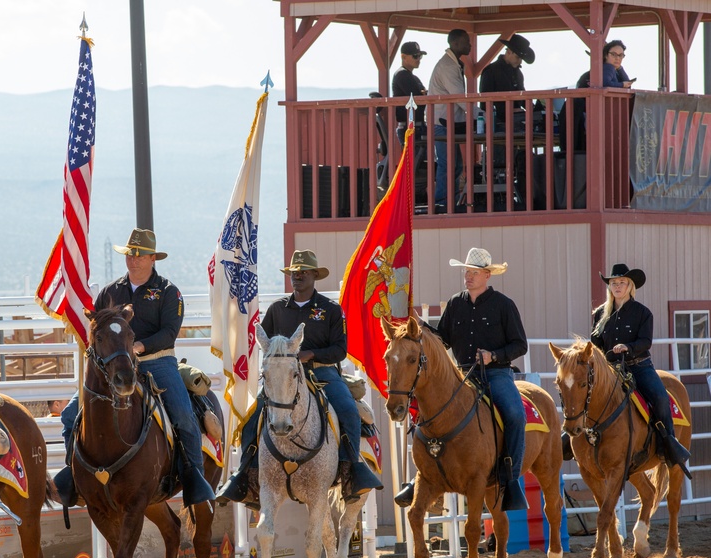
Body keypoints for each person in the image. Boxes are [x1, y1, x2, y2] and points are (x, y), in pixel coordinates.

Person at [53, 229, 217, 509]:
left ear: (153, 258)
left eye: (140, 255)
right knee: (70, 414)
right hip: (114, 365)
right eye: (130, 254)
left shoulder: (168, 292)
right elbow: (97, 327)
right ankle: (74, 473)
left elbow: (169, 333)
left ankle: (193, 478)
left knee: (184, 417)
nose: (134, 260)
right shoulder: (109, 292)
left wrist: (138, 347)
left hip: (157, 361)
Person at [216, 249, 383, 508]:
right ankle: (246, 475)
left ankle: (351, 473)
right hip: (284, 378)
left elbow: (340, 350)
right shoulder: (276, 310)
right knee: (252, 414)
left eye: (304, 272)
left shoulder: (330, 310)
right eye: (294, 272)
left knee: (349, 411)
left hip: (323, 373)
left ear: (315, 275)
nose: (298, 276)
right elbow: (265, 344)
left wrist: (308, 354)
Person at [394, 247, 529, 511]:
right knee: (426, 415)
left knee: (515, 414)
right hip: (460, 374)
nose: (468, 276)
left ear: (487, 275)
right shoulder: (456, 302)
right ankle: (423, 475)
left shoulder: (504, 305)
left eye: (473, 272)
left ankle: (510, 479)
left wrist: (494, 356)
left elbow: (519, 345)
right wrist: (420, 324)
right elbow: (442, 339)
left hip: (495, 373)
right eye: (466, 272)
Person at [590, 263, 691, 476]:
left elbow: (646, 341)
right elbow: (596, 342)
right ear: (610, 286)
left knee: (660, 397)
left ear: (630, 286)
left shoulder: (642, 313)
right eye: (614, 283)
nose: (617, 286)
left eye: (622, 283)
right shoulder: (600, 314)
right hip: (609, 369)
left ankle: (669, 445)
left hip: (639, 366)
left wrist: (628, 347)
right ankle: (571, 437)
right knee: (583, 394)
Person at [428, 29, 471, 211]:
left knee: (455, 165)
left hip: (448, 123)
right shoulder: (448, 67)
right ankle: (442, 204)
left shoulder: (453, 64)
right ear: (455, 43)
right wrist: (481, 113)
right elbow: (460, 98)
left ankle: (448, 203)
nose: (470, 45)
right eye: (466, 41)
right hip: (442, 124)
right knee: (448, 165)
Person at [478, 34, 535, 120]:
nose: (520, 62)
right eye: (518, 57)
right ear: (508, 52)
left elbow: (522, 98)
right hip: (497, 123)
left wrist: (534, 108)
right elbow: (485, 103)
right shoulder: (490, 71)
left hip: (517, 122)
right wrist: (508, 111)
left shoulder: (518, 74)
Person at [392, 41, 427, 143]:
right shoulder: (402, 74)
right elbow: (417, 97)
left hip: (416, 126)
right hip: (410, 128)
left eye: (420, 56)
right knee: (417, 158)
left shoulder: (413, 77)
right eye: (415, 56)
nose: (419, 59)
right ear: (403, 57)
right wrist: (423, 94)